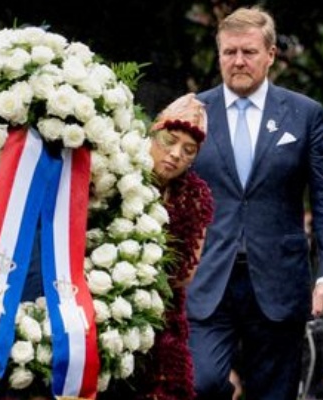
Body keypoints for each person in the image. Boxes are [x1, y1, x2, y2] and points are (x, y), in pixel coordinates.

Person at [187, 6, 323, 400]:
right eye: (229, 52)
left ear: (271, 55)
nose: (238, 61)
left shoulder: (304, 114)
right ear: (219, 53)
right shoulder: (191, 111)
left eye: (249, 52)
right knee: (200, 382)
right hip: (206, 278)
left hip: (279, 282)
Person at [108, 93, 214, 400]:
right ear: (153, 132)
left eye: (188, 150)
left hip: (160, 310)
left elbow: (186, 272)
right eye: (171, 140)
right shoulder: (119, 172)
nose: (176, 154)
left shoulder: (194, 196)